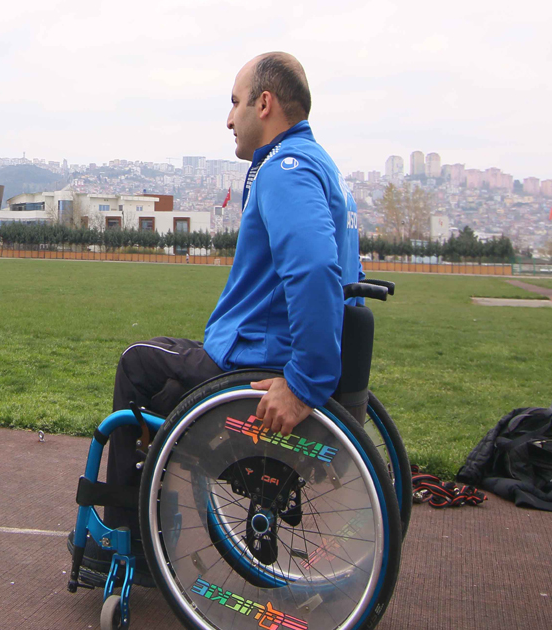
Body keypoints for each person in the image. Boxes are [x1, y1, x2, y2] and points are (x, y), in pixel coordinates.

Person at [103, 52, 362, 546]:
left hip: (255, 373)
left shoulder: (285, 170)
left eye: (235, 103)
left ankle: (126, 536)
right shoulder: (325, 169)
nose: (228, 119)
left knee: (137, 365)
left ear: (264, 104)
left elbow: (314, 270)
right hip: (279, 358)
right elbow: (350, 278)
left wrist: (305, 384)